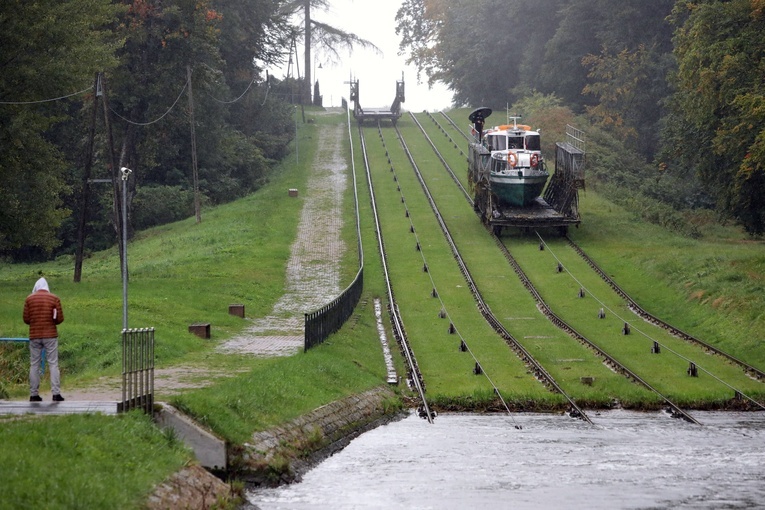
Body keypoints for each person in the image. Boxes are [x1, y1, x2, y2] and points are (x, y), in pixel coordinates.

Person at [23, 277, 65, 402]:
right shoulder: (54, 298)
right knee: (53, 363)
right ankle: (56, 394)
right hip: (50, 335)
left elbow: (26, 319)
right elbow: (60, 319)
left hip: (34, 335)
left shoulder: (29, 299)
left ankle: (33, 394)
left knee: (34, 364)